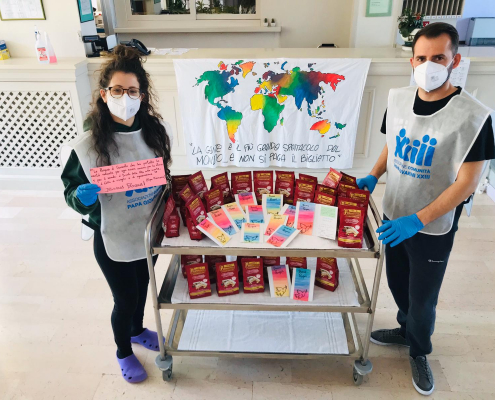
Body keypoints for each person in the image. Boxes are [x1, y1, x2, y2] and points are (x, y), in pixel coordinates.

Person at [357, 22, 494, 396]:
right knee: (397, 281)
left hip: (431, 226)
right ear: (412, 61)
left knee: (423, 296)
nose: (428, 65)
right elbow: (394, 142)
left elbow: (467, 183)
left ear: (455, 61)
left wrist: (416, 220)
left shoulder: (474, 117)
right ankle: (405, 329)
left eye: (439, 58)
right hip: (394, 214)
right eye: (421, 58)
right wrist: (373, 174)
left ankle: (418, 349)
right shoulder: (399, 98)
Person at [61, 45, 173, 383]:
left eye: (132, 91)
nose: (125, 97)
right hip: (112, 233)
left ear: (142, 95)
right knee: (124, 298)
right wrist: (81, 198)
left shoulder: (154, 132)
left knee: (143, 287)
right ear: (104, 94)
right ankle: (124, 350)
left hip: (146, 229)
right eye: (118, 90)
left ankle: (137, 330)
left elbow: (164, 174)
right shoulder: (88, 145)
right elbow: (71, 192)